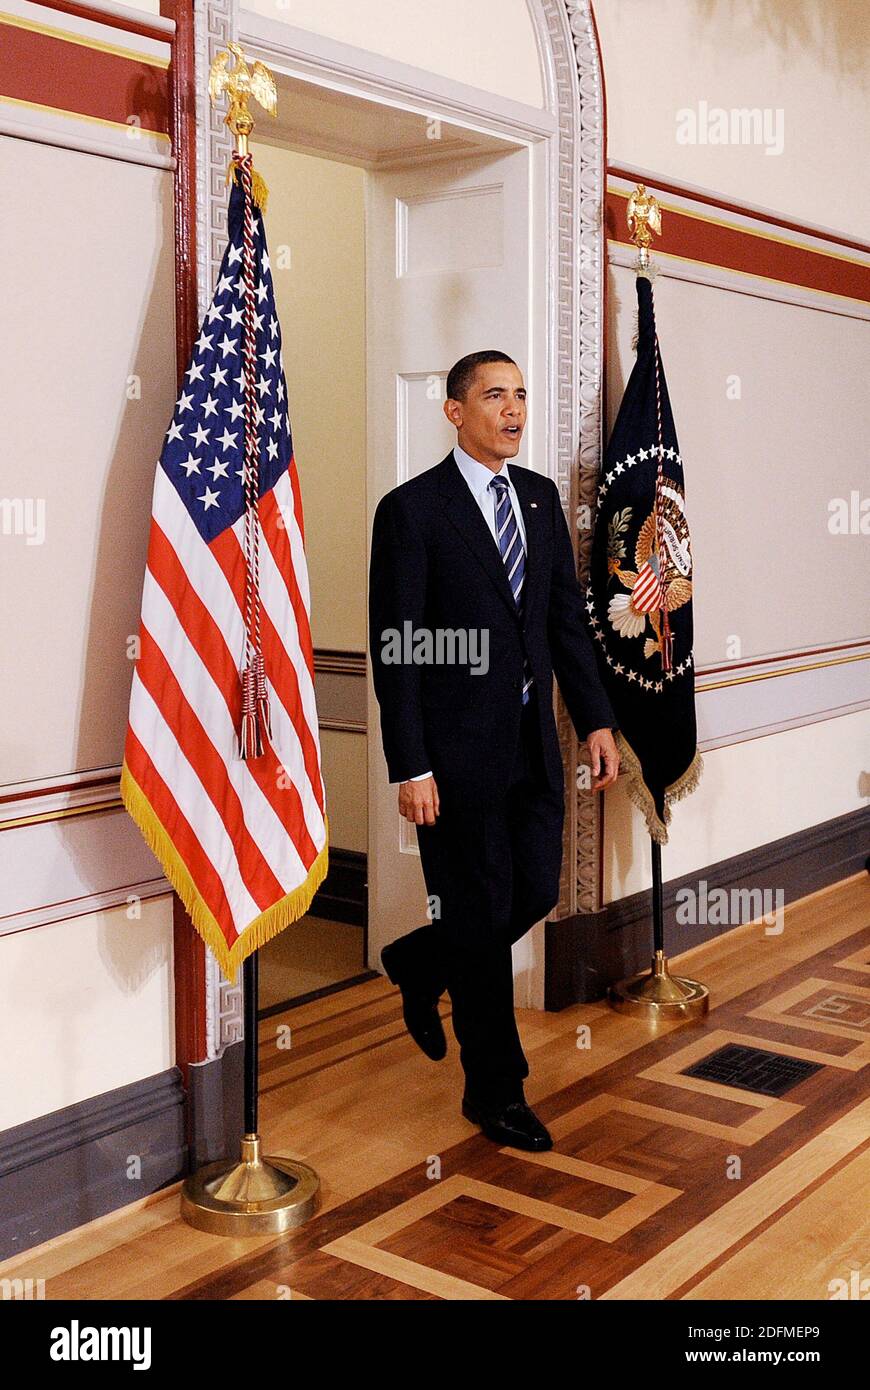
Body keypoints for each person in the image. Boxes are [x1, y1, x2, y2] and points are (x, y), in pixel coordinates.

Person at [368, 350, 620, 1151]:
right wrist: (411, 764)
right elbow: (398, 646)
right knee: (478, 914)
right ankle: (496, 1092)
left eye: (519, 395)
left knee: (533, 890)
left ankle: (419, 959)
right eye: (493, 396)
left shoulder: (541, 502)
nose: (512, 410)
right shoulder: (412, 512)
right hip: (451, 760)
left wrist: (598, 721)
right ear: (454, 411)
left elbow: (563, 625)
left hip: (532, 748)